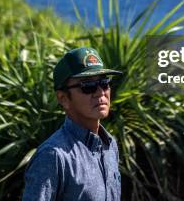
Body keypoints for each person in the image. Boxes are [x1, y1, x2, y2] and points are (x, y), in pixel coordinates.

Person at [22, 47, 123, 201]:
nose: (100, 92)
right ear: (63, 98)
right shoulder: (53, 156)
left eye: (104, 82)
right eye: (87, 86)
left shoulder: (110, 145)